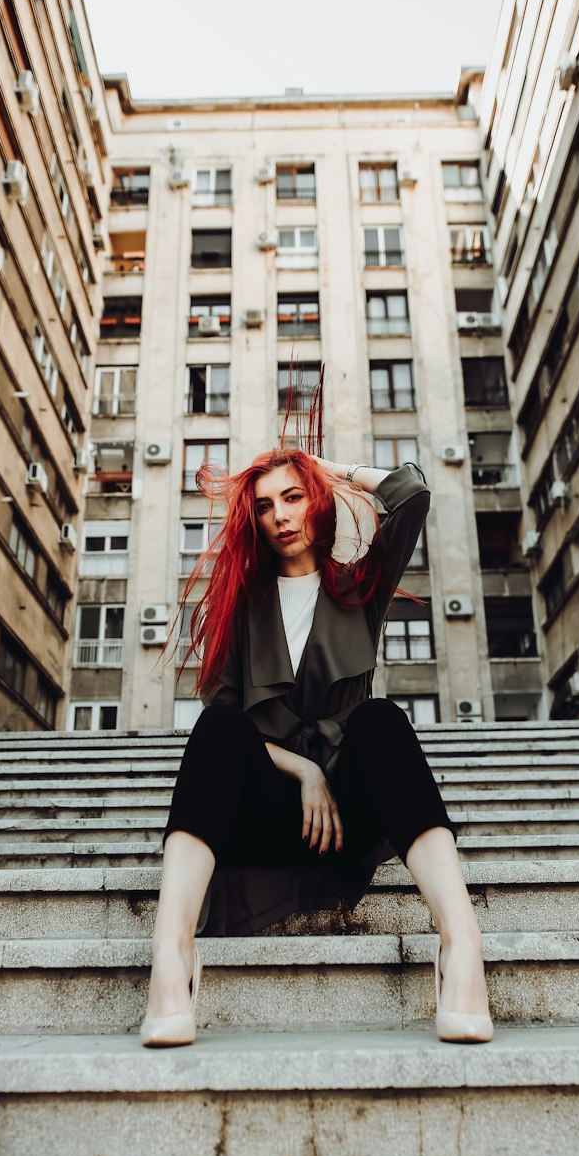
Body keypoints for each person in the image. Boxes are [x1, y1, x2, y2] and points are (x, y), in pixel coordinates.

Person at [139, 431, 493, 1048]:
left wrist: (323, 467)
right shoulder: (239, 606)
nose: (280, 515)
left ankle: (462, 947)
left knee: (381, 719)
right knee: (217, 728)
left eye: (294, 496)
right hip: (267, 814)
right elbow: (226, 724)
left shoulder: (359, 587)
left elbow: (410, 494)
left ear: (316, 501)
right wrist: (304, 772)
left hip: (348, 821)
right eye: (265, 505)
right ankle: (171, 959)